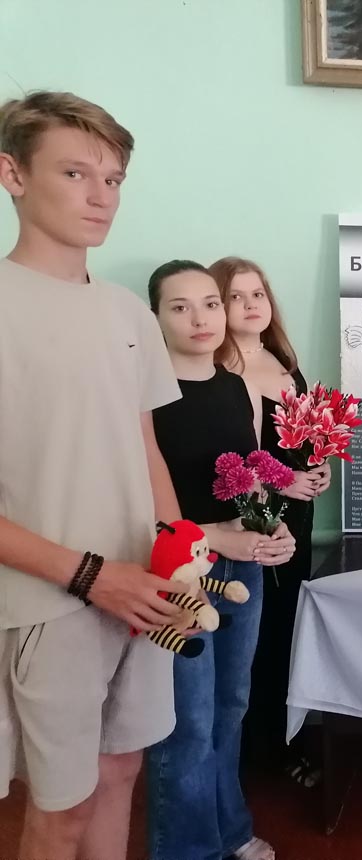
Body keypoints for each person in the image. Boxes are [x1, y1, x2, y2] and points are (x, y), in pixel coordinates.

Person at [0, 90, 189, 860]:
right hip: (48, 600)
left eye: (113, 179)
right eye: (76, 173)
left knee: (120, 775)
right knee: (63, 808)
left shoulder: (127, 314)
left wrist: (181, 563)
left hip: (142, 588)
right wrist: (90, 576)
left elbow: (144, 448)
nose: (100, 196)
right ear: (13, 174)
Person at [144, 260, 296, 860]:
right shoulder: (145, 398)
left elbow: (249, 478)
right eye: (179, 307)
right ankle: (187, 849)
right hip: (180, 576)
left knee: (231, 707)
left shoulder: (234, 386)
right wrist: (213, 539)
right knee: (187, 722)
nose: (200, 318)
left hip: (242, 568)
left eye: (210, 303)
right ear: (155, 317)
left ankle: (229, 831)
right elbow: (139, 508)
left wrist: (271, 526)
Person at [212, 256, 332, 786]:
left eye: (257, 294)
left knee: (287, 629)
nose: (250, 305)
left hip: (298, 518)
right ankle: (252, 754)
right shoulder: (216, 372)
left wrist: (320, 467)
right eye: (235, 296)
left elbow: (302, 441)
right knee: (253, 637)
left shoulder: (285, 363)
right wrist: (283, 484)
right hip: (252, 520)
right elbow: (224, 459)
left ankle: (285, 743)